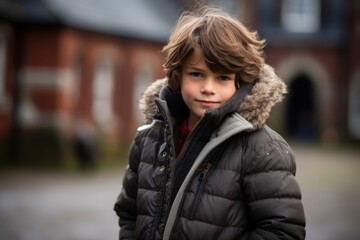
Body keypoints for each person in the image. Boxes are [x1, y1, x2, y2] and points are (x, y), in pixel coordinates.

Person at [114, 5, 306, 240]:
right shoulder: (149, 138)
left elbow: (282, 231)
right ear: (178, 75)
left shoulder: (263, 148)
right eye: (196, 74)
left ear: (240, 82)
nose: (208, 88)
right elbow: (128, 212)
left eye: (222, 77)